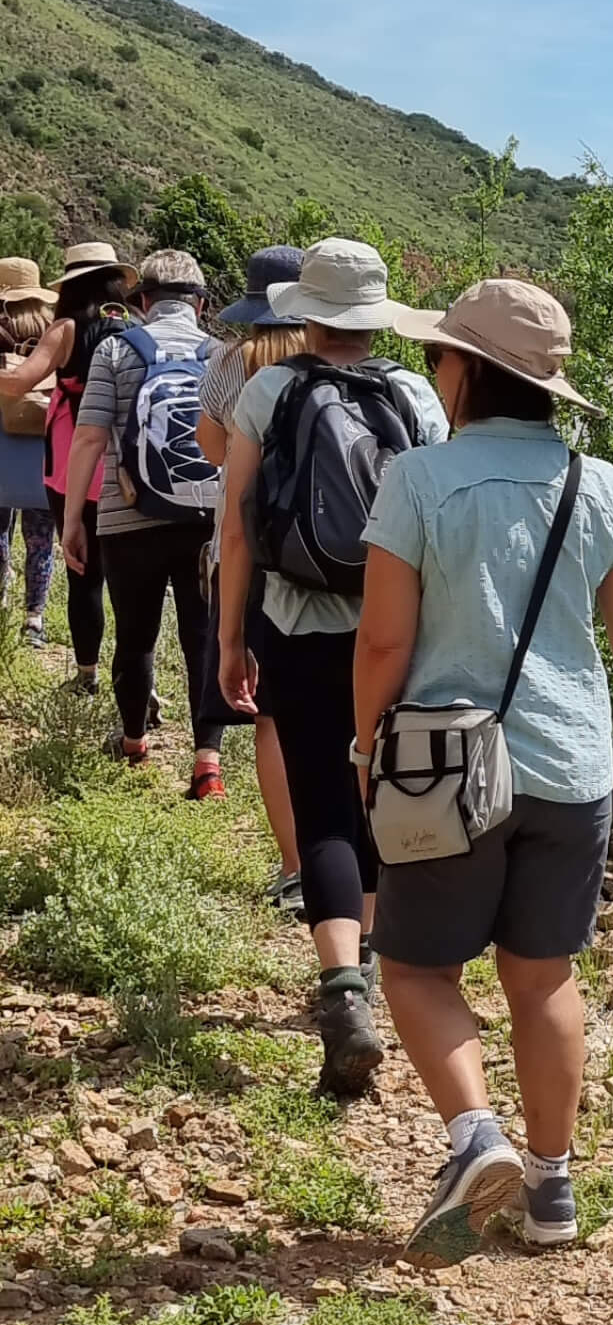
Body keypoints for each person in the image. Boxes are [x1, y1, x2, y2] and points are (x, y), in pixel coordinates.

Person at [353, 277, 613, 1261]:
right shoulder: (603, 486)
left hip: (444, 766)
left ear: (463, 371)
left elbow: (382, 641)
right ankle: (552, 1192)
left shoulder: (417, 481)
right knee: (542, 979)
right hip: (569, 765)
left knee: (415, 965)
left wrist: (364, 740)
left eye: (438, 356)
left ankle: (474, 1137)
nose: (433, 369)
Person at [218, 239, 446, 1098]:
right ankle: (380, 969)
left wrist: (230, 637)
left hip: (295, 623)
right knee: (380, 799)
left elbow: (238, 526)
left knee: (319, 804)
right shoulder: (417, 393)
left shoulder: (270, 389)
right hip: (400, 628)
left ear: (304, 313)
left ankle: (343, 986)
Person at [63, 251, 222, 778]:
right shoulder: (223, 355)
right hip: (205, 521)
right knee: (202, 637)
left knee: (135, 634)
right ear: (199, 304)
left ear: (145, 301)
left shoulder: (115, 349)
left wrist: (72, 522)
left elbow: (87, 438)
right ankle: (208, 764)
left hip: (127, 516)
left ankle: (133, 740)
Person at [197, 246, 306, 881]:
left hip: (252, 552)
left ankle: (294, 868)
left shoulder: (236, 360)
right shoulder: (331, 362)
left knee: (271, 714)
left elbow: (210, 446)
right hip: (333, 557)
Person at [0, 240, 131, 696]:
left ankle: (86, 675)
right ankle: (136, 677)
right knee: (130, 582)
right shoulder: (130, 328)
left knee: (83, 573)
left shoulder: (67, 329)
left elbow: (19, 381)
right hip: (125, 464)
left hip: (72, 459)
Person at [0, 261, 58, 647]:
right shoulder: (54, 329)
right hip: (43, 447)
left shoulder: (2, 328)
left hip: (2, 445)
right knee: (40, 538)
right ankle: (33, 619)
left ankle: (1, 595)